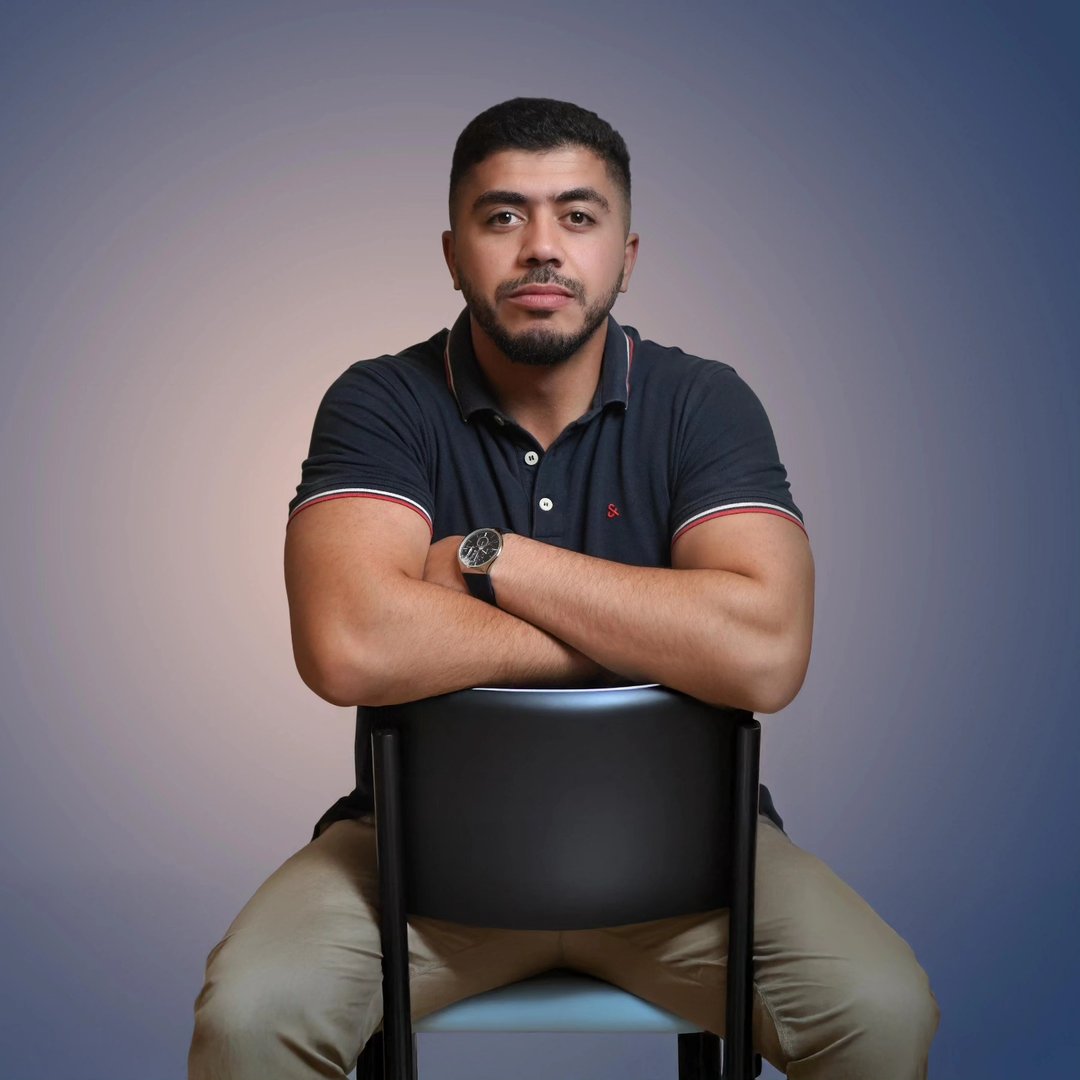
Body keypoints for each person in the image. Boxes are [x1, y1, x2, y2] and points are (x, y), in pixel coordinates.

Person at [188, 97, 939, 1079]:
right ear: (453, 253)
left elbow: (764, 654)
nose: (542, 246)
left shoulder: (703, 402)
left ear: (626, 255)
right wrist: (654, 635)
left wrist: (492, 560)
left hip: (693, 866)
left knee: (882, 1011)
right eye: (503, 216)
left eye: (577, 216)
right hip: (416, 869)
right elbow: (349, 643)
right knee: (251, 1019)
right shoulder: (381, 399)